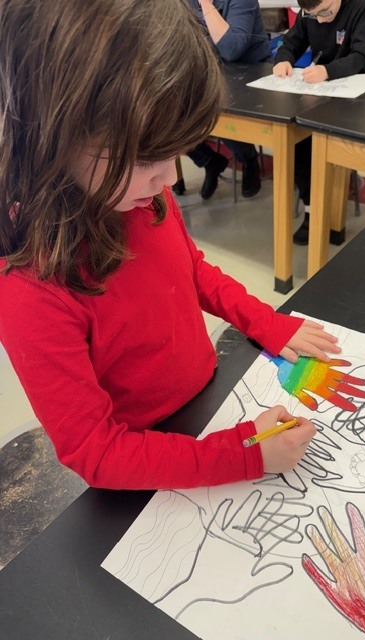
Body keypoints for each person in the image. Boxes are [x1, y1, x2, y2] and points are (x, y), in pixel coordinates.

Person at [0, 0, 342, 491]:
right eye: (145, 158)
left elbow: (193, 271)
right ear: (50, 135)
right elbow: (94, 450)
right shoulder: (30, 285)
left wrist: (266, 322)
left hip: (206, 403)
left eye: (174, 152)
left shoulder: (140, 196)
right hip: (148, 465)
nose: (168, 177)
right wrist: (244, 454)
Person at [273, 0, 365, 244]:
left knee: (331, 146)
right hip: (317, 91)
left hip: (350, 92)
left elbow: (361, 57)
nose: (319, 20)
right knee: (297, 141)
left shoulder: (362, 5)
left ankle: (334, 210)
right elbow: (291, 42)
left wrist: (328, 71)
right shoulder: (312, 10)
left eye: (325, 13)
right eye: (312, 16)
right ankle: (312, 210)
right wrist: (283, 59)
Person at [174, 0, 272, 201]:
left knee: (219, 110)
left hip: (251, 75)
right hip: (213, 72)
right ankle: (209, 161)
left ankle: (249, 160)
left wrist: (206, 5)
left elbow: (231, 48)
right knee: (170, 116)